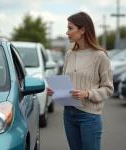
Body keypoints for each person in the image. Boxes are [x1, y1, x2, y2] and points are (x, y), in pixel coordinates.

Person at [46, 11, 114, 150]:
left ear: (82, 30)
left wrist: (87, 93)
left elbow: (108, 89)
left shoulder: (100, 56)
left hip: (89, 116)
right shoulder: (69, 55)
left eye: (70, 28)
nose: (67, 32)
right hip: (69, 114)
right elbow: (66, 84)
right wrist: (56, 92)